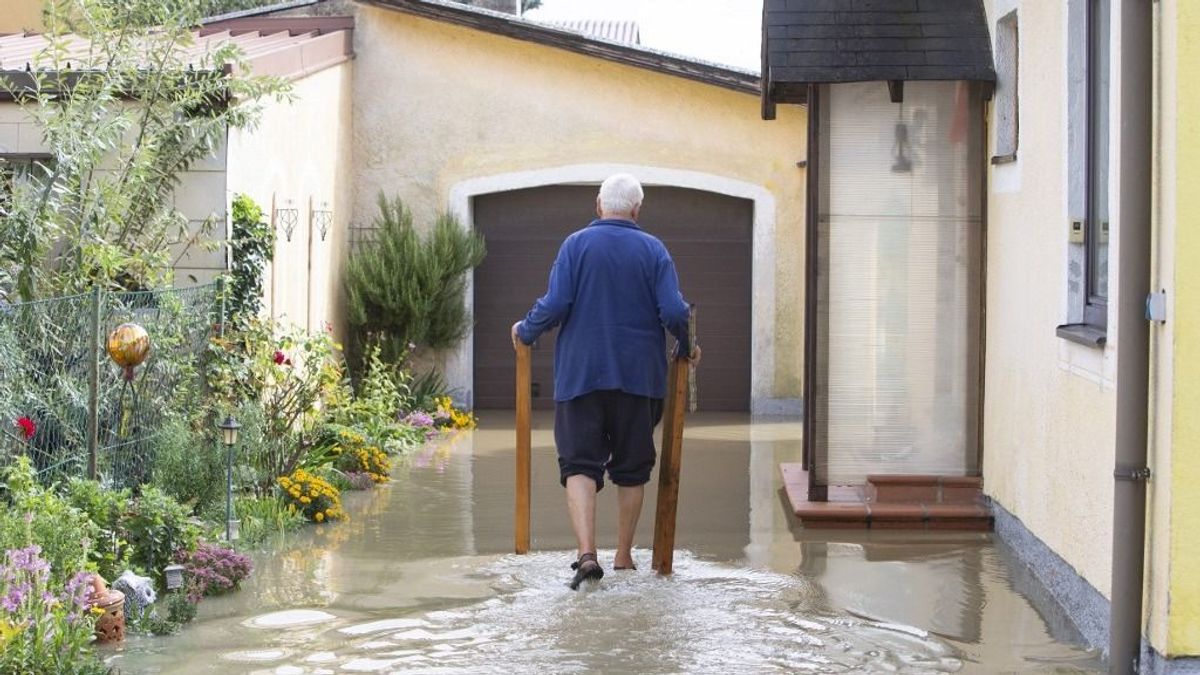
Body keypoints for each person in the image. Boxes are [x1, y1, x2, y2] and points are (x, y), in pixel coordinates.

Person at [510, 173, 700, 590]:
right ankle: (624, 556)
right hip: (638, 377)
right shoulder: (654, 250)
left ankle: (586, 555)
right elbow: (673, 310)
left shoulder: (575, 245)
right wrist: (687, 345)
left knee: (579, 464)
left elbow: (556, 303)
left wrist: (526, 331)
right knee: (632, 468)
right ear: (637, 209)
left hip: (581, 375)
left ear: (599, 205)